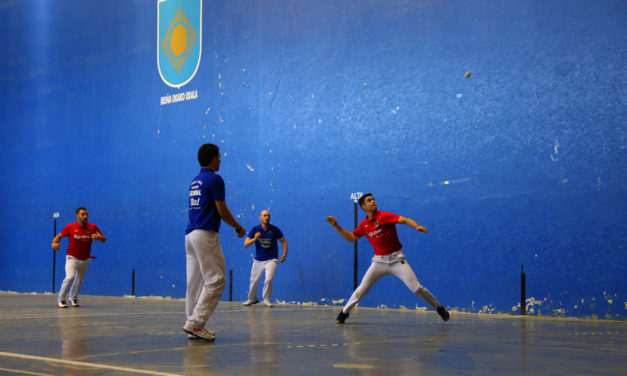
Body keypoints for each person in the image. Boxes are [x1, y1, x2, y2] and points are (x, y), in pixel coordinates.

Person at [326, 193, 450, 324]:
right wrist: (336, 226)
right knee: (362, 289)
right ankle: (344, 314)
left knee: (416, 288)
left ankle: (440, 309)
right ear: (363, 206)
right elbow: (351, 238)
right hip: (379, 262)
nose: (373, 201)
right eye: (369, 201)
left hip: (397, 260)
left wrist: (416, 226)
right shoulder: (364, 225)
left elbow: (405, 220)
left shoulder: (384, 216)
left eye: (373, 199)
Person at [183, 143, 247, 341]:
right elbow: (222, 211)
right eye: (219, 156)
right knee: (216, 279)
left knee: (194, 282)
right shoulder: (215, 179)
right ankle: (195, 323)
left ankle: (193, 324)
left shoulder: (195, 181)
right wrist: (238, 227)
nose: (221, 160)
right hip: (205, 234)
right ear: (212, 158)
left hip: (190, 236)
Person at [51, 207, 106, 308]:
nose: (85, 216)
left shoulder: (92, 227)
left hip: (85, 259)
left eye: (86, 214)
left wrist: (100, 238)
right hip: (72, 258)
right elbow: (59, 236)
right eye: (83, 214)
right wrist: (54, 243)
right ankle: (61, 299)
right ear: (77, 216)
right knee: (70, 277)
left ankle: (73, 298)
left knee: (79, 280)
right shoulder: (70, 227)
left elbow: (104, 239)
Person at [242, 210, 288, 308]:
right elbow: (246, 244)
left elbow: (283, 241)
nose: (267, 217)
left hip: (271, 259)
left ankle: (266, 300)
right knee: (253, 280)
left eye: (268, 215)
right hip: (258, 260)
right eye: (264, 215)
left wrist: (284, 253)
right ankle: (252, 299)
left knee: (268, 279)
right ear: (260, 218)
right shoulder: (255, 229)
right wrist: (254, 239)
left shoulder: (274, 229)